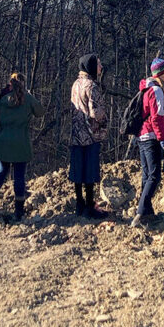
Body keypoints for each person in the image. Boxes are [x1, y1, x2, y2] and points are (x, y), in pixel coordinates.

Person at [0, 72, 43, 221]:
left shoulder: (2, 99)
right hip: (21, 143)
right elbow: (40, 112)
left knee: (1, 171)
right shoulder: (27, 98)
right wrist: (30, 96)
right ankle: (18, 211)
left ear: (9, 83)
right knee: (19, 176)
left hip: (4, 141)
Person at [131, 56, 164, 228]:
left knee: (147, 174)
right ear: (160, 74)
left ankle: (147, 212)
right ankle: (141, 213)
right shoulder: (157, 91)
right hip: (151, 137)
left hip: (142, 136)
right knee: (154, 175)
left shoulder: (146, 89)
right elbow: (157, 117)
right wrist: (162, 139)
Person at [69, 53, 110, 219]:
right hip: (91, 134)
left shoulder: (75, 84)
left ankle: (79, 204)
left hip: (76, 133)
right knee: (90, 171)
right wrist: (104, 118)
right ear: (91, 66)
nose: (101, 67)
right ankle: (90, 205)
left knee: (78, 170)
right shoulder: (92, 86)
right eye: (98, 64)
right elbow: (95, 112)